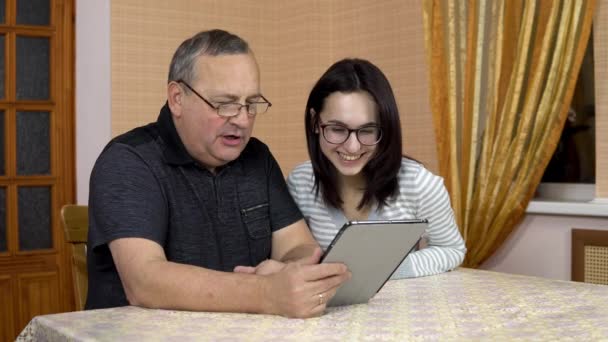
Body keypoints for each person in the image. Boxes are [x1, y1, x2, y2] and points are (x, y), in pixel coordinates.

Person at [86, 29, 350, 318]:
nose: (242, 119)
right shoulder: (129, 159)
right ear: (177, 98)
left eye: (251, 104)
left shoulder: (256, 158)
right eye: (225, 104)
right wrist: (265, 292)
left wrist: (287, 268)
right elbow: (144, 281)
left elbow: (300, 246)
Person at [287, 58, 466, 278]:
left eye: (367, 130)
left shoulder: (420, 184)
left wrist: (383, 270)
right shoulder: (300, 182)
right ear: (315, 122)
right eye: (337, 129)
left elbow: (452, 250)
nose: (352, 146)